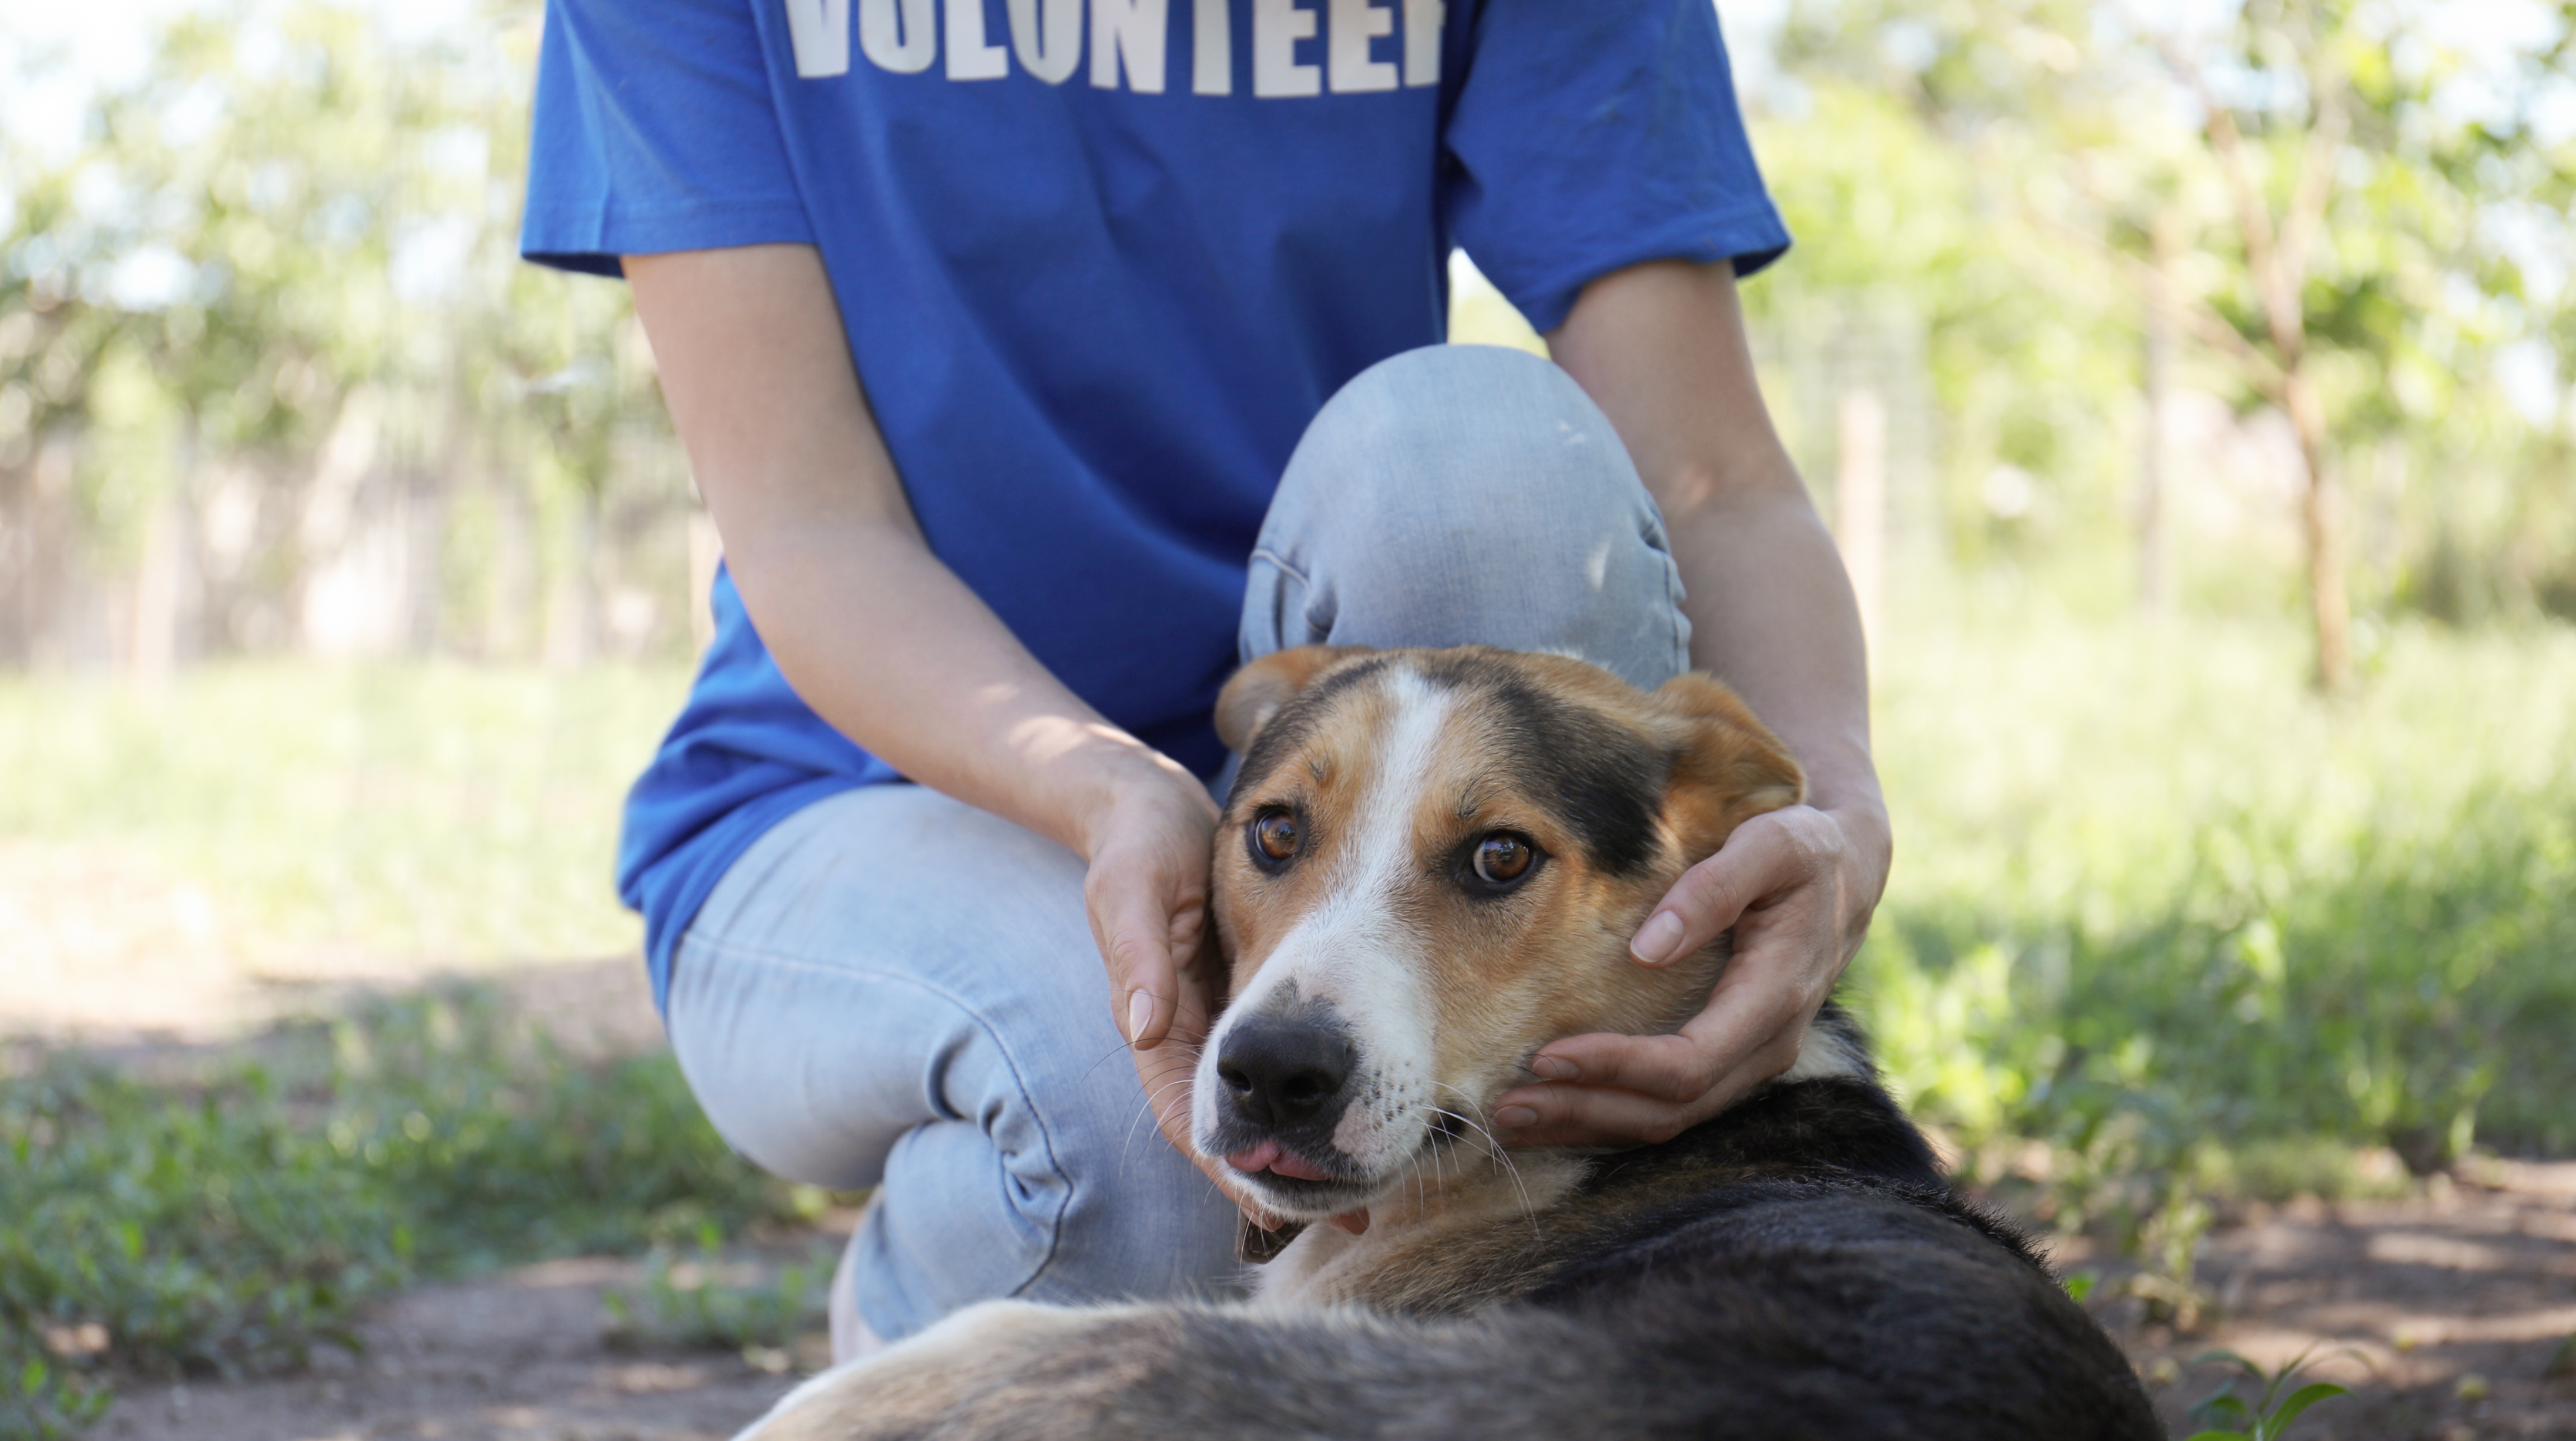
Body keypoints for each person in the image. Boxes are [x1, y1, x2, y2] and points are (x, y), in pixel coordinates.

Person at [520, 0, 1890, 1359]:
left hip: (1350, 793)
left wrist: (1830, 822)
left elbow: (1716, 479)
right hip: (862, 795)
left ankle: (1456, 1284)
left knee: (1486, 468)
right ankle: (918, 1327)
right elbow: (810, 528)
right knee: (1126, 1110)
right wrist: (1119, 790)